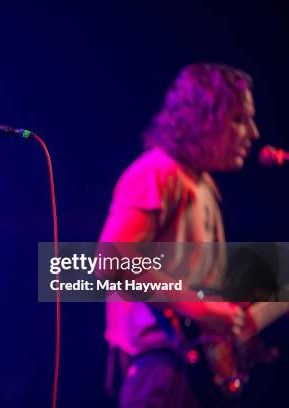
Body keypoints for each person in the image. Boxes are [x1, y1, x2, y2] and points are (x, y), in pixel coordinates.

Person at [99, 64, 260, 407]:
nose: (253, 132)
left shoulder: (201, 183)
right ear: (202, 119)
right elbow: (111, 261)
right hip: (161, 372)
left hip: (186, 373)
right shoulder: (157, 172)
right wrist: (202, 309)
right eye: (238, 119)